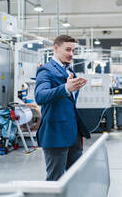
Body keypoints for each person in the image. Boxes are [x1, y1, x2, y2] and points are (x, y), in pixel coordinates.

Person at [34, 35, 90, 181]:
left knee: (76, 178)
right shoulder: (46, 71)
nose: (71, 53)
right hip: (55, 134)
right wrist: (65, 88)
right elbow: (40, 96)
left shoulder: (69, 71)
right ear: (56, 48)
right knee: (55, 180)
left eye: (73, 50)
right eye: (67, 49)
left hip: (73, 134)